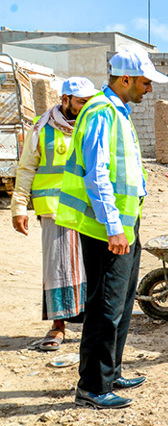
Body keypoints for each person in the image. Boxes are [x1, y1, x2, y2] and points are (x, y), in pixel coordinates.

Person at [56, 48, 168, 409]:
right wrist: (114, 227)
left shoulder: (119, 112)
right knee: (105, 305)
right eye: (145, 82)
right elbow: (96, 174)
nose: (149, 89)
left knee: (120, 302)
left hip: (125, 223)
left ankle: (112, 371)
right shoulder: (102, 113)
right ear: (125, 80)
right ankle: (92, 385)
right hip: (109, 228)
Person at [11, 77, 99, 351]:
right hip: (53, 208)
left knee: (88, 265)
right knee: (57, 267)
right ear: (65, 100)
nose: (86, 107)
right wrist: (19, 205)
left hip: (87, 208)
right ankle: (58, 325)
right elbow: (27, 168)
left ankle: (89, 321)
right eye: (81, 102)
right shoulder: (42, 128)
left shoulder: (92, 125)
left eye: (89, 102)